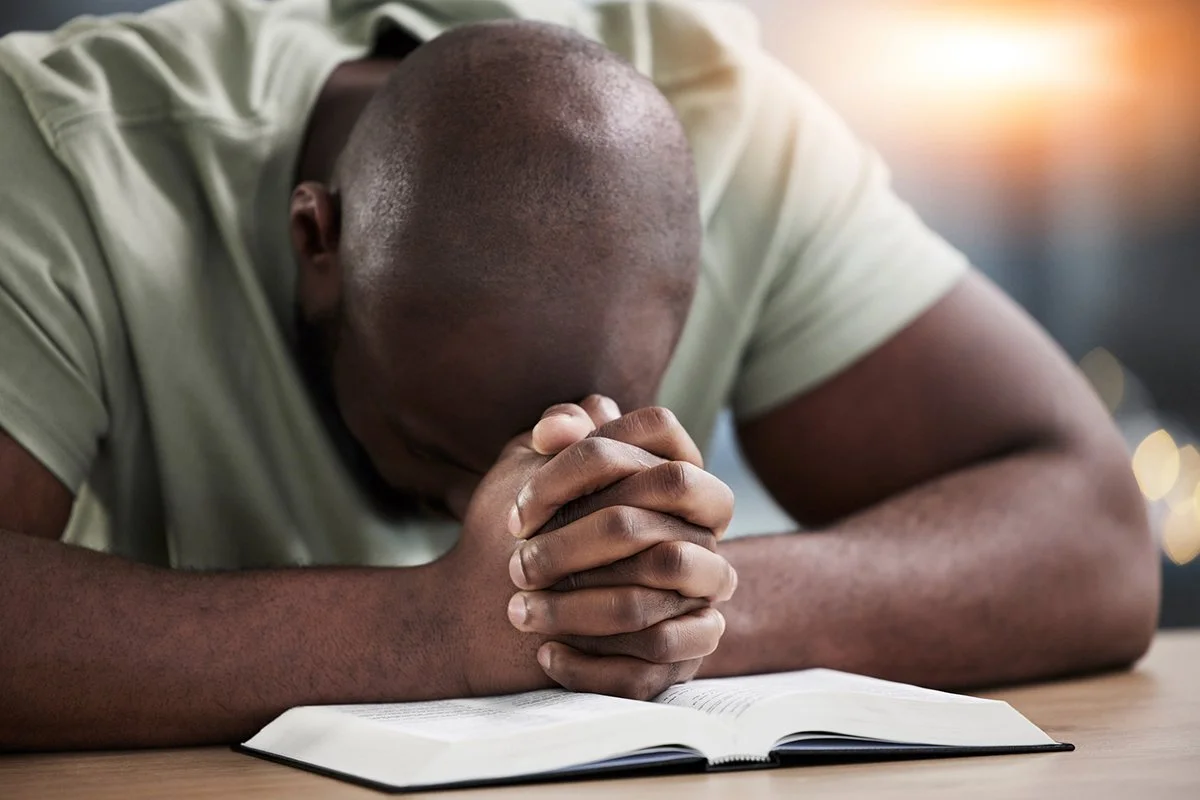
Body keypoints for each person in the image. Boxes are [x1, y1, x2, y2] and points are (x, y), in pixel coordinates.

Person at [0, 0, 1158, 750]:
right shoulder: (60, 154)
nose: (507, 509)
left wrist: (656, 601)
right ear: (319, 245)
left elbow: (1098, 537)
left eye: (582, 453)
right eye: (445, 452)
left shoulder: (741, 133)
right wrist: (427, 631)